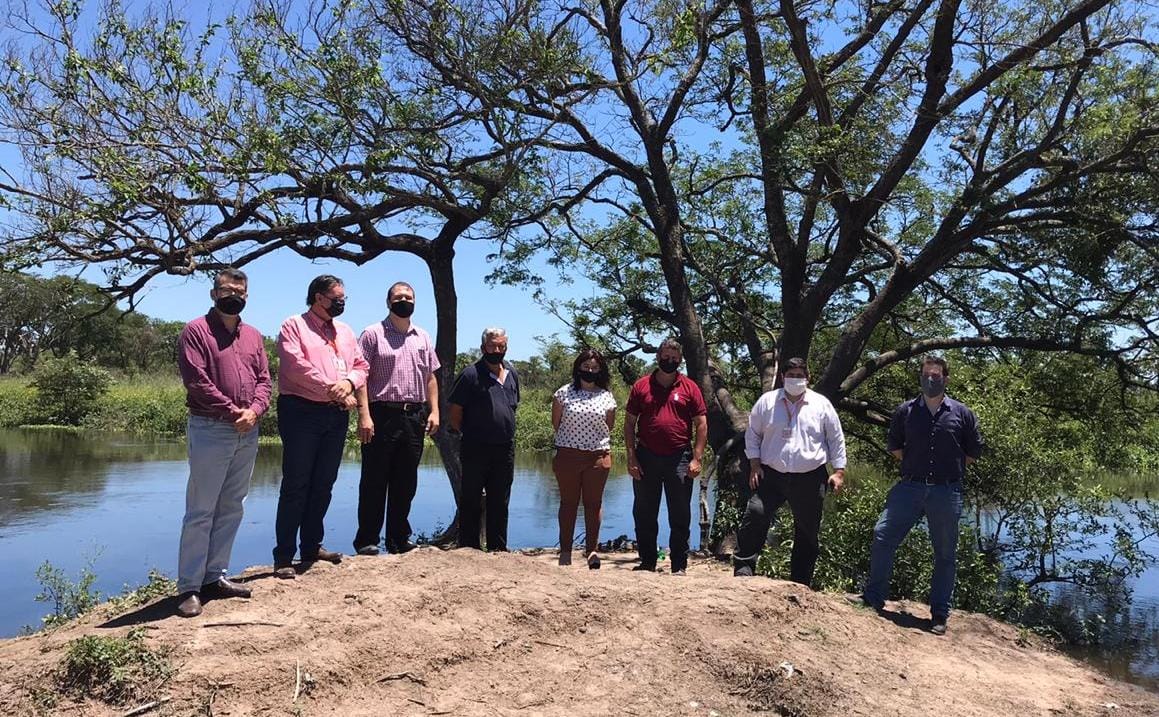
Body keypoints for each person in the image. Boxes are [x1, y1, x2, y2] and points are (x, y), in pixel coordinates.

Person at [860, 354, 983, 635]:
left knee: (945, 554)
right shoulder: (905, 411)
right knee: (883, 535)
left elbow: (973, 451)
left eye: (936, 375)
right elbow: (894, 446)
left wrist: (946, 468)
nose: (931, 379)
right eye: (926, 374)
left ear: (946, 378)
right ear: (920, 377)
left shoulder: (962, 413)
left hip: (946, 490)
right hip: (910, 486)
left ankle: (939, 614)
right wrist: (914, 465)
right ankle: (873, 598)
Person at [174, 268, 272, 617]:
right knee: (201, 509)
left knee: (233, 505)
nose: (235, 296)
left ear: (247, 296)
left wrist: (256, 410)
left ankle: (214, 576)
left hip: (248, 430)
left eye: (241, 291)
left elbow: (264, 380)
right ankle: (189, 586)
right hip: (211, 427)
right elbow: (196, 381)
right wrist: (235, 412)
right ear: (214, 294)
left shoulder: (254, 336)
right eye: (228, 290)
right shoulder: (196, 331)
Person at [272, 274, 369, 579]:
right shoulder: (293, 326)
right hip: (301, 411)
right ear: (318, 297)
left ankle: (312, 545)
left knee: (324, 483)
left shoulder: (345, 331)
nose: (341, 303)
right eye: (336, 298)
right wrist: (333, 387)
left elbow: (361, 366)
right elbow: (294, 365)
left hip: (335, 414)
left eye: (343, 298)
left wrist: (348, 383)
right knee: (296, 483)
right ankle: (284, 556)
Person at [733, 357, 847, 586]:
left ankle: (800, 582)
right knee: (755, 514)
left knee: (807, 529)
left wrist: (839, 471)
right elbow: (752, 434)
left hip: (810, 476)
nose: (796, 379)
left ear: (808, 377)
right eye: (791, 375)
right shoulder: (767, 402)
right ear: (783, 377)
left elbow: (835, 439)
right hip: (770, 474)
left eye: (800, 375)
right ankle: (744, 570)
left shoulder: (821, 404)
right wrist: (754, 464)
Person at [353, 281, 441, 556]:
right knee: (374, 480)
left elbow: (430, 377)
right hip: (381, 414)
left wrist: (434, 410)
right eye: (398, 296)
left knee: (406, 481)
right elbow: (360, 376)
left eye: (409, 296)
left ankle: (399, 539)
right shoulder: (372, 334)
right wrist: (364, 414)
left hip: (413, 415)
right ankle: (367, 540)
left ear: (415, 301)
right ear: (388, 301)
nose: (404, 300)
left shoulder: (422, 336)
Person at [624, 338, 707, 574]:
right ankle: (648, 562)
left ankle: (679, 565)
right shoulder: (641, 386)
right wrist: (631, 456)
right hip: (646, 455)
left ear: (679, 360)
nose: (668, 361)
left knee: (680, 513)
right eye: (665, 357)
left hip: (680, 457)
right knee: (644, 511)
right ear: (657, 357)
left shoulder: (690, 387)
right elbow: (629, 423)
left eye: (673, 358)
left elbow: (701, 424)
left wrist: (697, 457)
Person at [447, 328, 520, 551]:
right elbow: (455, 412)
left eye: (501, 346)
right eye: (492, 346)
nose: (496, 350)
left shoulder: (511, 373)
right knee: (471, 497)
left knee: (500, 500)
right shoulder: (470, 375)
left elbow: (513, 406)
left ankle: (498, 548)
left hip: (504, 449)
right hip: (475, 447)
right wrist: (472, 433)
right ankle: (469, 547)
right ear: (483, 347)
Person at [551, 349, 617, 569]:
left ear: (600, 370)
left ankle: (592, 551)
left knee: (593, 504)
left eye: (595, 368)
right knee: (568, 503)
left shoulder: (606, 396)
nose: (590, 371)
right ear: (578, 368)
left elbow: (609, 426)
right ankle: (566, 551)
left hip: (597, 457)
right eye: (586, 366)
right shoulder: (563, 394)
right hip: (568, 455)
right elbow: (556, 423)